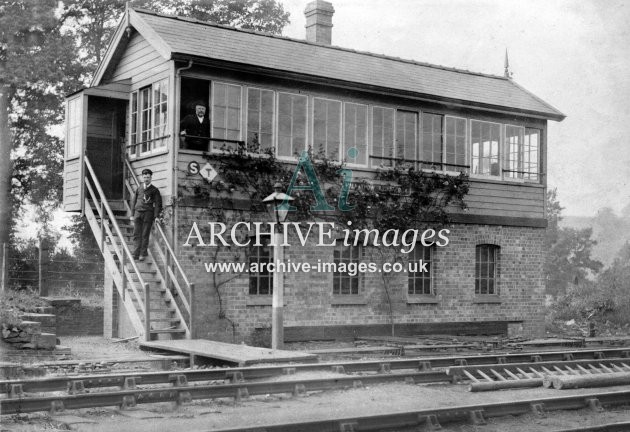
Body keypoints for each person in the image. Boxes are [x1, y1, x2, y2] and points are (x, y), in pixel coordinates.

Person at [130, 169, 162, 261]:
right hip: (138, 213)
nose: (146, 179)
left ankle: (142, 254)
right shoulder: (139, 188)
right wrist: (132, 214)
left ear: (151, 178)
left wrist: (156, 216)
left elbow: (158, 204)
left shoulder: (154, 190)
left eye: (148, 177)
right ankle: (135, 253)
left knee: (145, 234)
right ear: (142, 177)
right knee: (136, 234)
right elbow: (134, 201)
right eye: (144, 177)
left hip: (148, 214)